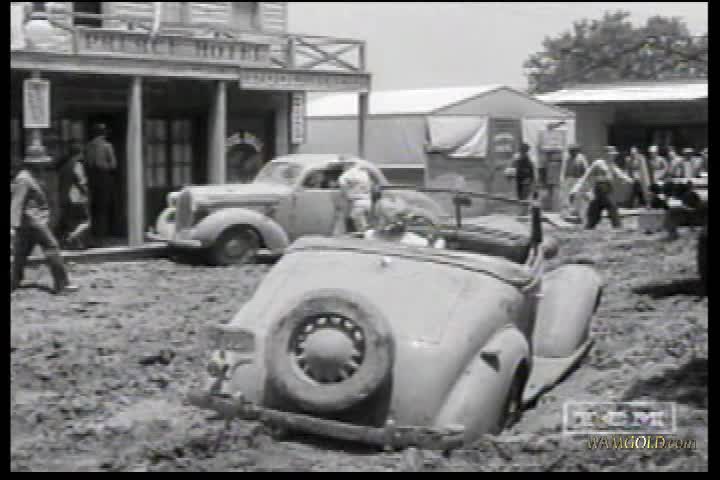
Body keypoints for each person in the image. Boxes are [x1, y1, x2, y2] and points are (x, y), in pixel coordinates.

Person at [11, 157, 78, 294]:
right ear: (33, 163)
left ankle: (14, 281)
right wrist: (12, 225)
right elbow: (17, 203)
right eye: (40, 162)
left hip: (30, 221)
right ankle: (62, 285)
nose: (43, 165)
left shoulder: (30, 176)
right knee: (52, 247)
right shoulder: (24, 179)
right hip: (33, 221)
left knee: (21, 253)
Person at [569, 147, 624, 230]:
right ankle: (590, 226)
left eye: (614, 155)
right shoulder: (598, 163)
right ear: (606, 154)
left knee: (608, 207)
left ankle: (616, 227)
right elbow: (586, 175)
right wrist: (576, 188)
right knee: (600, 208)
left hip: (608, 189)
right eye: (612, 154)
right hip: (600, 188)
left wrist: (627, 179)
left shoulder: (612, 165)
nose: (613, 156)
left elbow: (619, 173)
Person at [85, 123, 117, 243]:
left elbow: (87, 163)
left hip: (91, 179)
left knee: (93, 207)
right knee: (103, 208)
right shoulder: (107, 146)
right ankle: (102, 236)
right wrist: (105, 166)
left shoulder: (88, 146)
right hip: (104, 178)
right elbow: (113, 165)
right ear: (104, 133)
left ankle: (92, 235)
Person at [57, 142, 91, 249]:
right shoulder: (77, 165)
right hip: (76, 198)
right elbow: (81, 182)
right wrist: (87, 194)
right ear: (79, 153)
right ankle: (72, 237)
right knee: (86, 222)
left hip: (64, 198)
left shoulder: (64, 166)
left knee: (71, 223)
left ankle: (78, 244)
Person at [335, 163, 373, 235]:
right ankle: (365, 231)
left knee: (355, 216)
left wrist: (347, 193)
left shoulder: (350, 173)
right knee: (359, 217)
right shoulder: (364, 173)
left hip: (358, 200)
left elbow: (342, 182)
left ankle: (365, 232)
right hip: (367, 200)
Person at [561, 144, 589, 217]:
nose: (571, 152)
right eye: (570, 151)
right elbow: (565, 170)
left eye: (572, 151)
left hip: (578, 179)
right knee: (568, 197)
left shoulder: (581, 158)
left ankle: (578, 213)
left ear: (576, 151)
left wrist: (583, 181)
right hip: (569, 179)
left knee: (578, 197)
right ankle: (569, 212)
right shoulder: (568, 158)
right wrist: (564, 179)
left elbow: (586, 170)